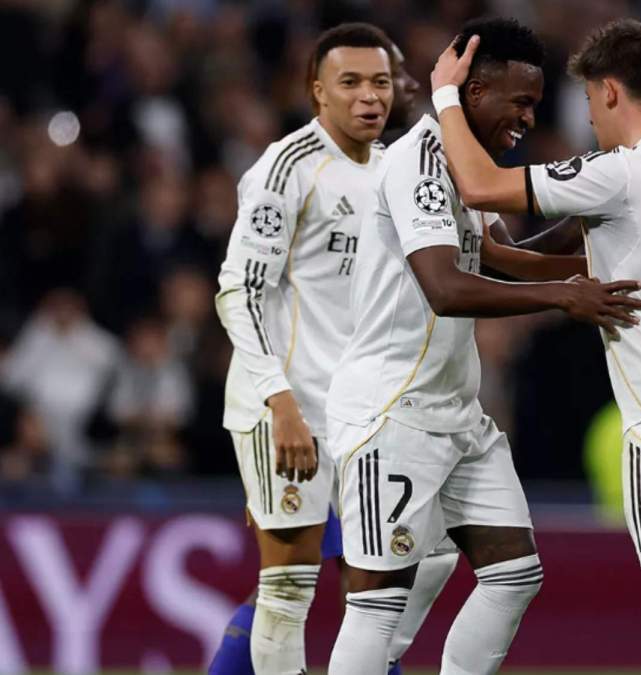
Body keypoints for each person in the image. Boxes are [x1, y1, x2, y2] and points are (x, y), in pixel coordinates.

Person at [432, 19, 641, 675]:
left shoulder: (620, 171)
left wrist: (446, 96)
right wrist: (501, 254)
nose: (589, 120)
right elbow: (567, 243)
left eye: (590, 102)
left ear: (611, 91)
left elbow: (478, 183)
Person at [324, 17, 641, 675]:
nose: (527, 117)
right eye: (518, 100)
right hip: (391, 412)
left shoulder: (464, 166)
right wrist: (564, 297)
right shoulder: (417, 158)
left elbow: (497, 259)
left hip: (453, 414)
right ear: (471, 91)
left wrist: (581, 235)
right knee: (377, 604)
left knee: (514, 573)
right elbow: (445, 285)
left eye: (535, 103)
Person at [210, 22, 394, 675]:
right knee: (289, 588)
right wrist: (280, 402)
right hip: (288, 406)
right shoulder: (286, 168)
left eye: (380, 82)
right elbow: (240, 292)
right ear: (319, 91)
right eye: (350, 83)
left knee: (383, 588)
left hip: (364, 410)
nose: (369, 96)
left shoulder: (396, 172)